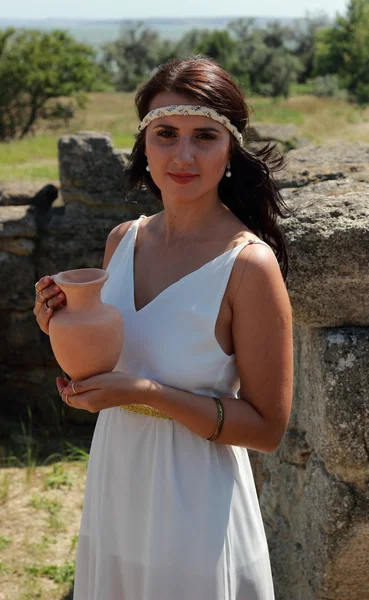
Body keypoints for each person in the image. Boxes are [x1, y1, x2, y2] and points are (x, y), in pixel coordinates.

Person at [33, 55, 293, 600]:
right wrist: (61, 322)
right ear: (143, 146)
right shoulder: (121, 241)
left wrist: (150, 394)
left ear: (230, 152)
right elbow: (109, 365)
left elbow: (268, 429)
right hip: (117, 482)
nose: (182, 155)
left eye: (204, 137)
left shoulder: (248, 266)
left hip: (195, 508)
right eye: (166, 134)